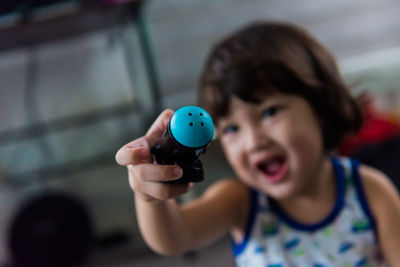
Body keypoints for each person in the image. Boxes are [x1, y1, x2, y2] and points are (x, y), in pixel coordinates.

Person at [115, 21, 400, 266]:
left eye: (269, 112)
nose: (253, 142)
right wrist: (149, 198)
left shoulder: (370, 192)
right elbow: (174, 239)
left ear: (320, 108)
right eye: (232, 128)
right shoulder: (240, 201)